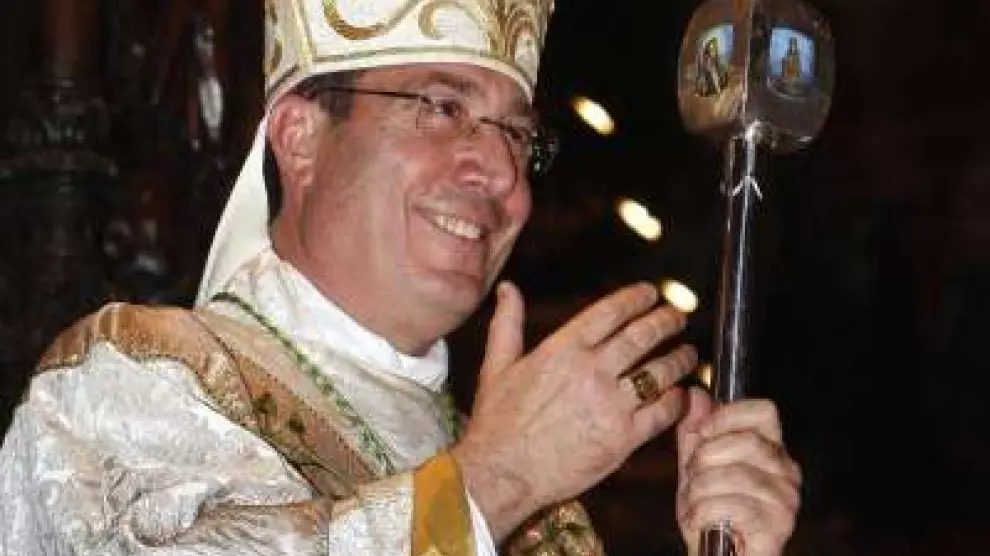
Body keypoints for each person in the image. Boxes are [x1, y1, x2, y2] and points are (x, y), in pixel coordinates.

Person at [0, 1, 802, 554]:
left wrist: (725, 547)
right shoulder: (135, 380)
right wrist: (496, 480)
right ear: (300, 136)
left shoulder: (548, 520)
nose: (501, 172)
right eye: (442, 109)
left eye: (517, 135)